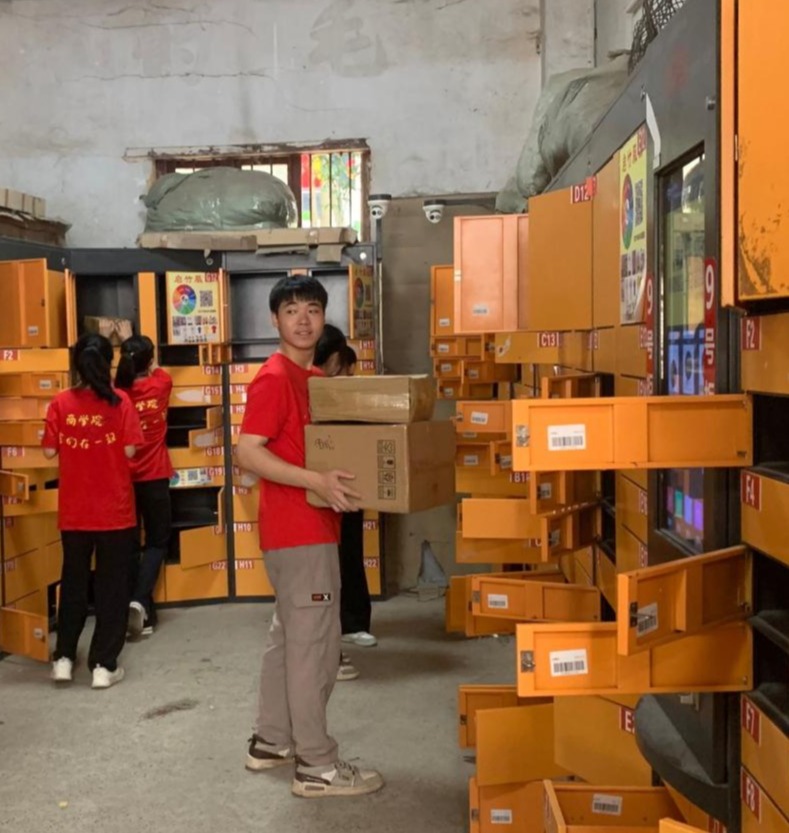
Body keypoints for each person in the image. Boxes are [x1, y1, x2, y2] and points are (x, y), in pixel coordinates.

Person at [236, 275, 383, 798]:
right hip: (298, 532)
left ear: (323, 318)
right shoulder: (275, 378)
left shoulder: (314, 377)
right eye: (292, 310)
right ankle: (317, 767)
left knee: (288, 640)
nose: (303, 319)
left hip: (307, 528)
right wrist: (316, 482)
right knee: (314, 648)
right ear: (274, 319)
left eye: (313, 309)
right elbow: (247, 451)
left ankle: (272, 742)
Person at [43, 333, 144, 689]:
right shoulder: (121, 401)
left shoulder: (59, 402)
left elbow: (49, 452)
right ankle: (103, 665)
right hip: (114, 510)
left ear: (77, 364)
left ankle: (64, 659)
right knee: (111, 587)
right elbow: (131, 450)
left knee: (73, 582)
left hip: (74, 511)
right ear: (108, 363)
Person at [313, 331, 376, 665]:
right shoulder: (303, 384)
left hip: (347, 482)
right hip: (314, 486)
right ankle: (327, 632)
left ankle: (352, 623)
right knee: (320, 563)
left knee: (350, 552)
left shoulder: (348, 392)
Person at [115, 335, 174, 638]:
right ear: (149, 361)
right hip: (155, 475)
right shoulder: (161, 384)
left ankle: (144, 614)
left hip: (123, 479)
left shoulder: (115, 394)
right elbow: (159, 369)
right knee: (156, 542)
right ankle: (139, 601)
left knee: (128, 546)